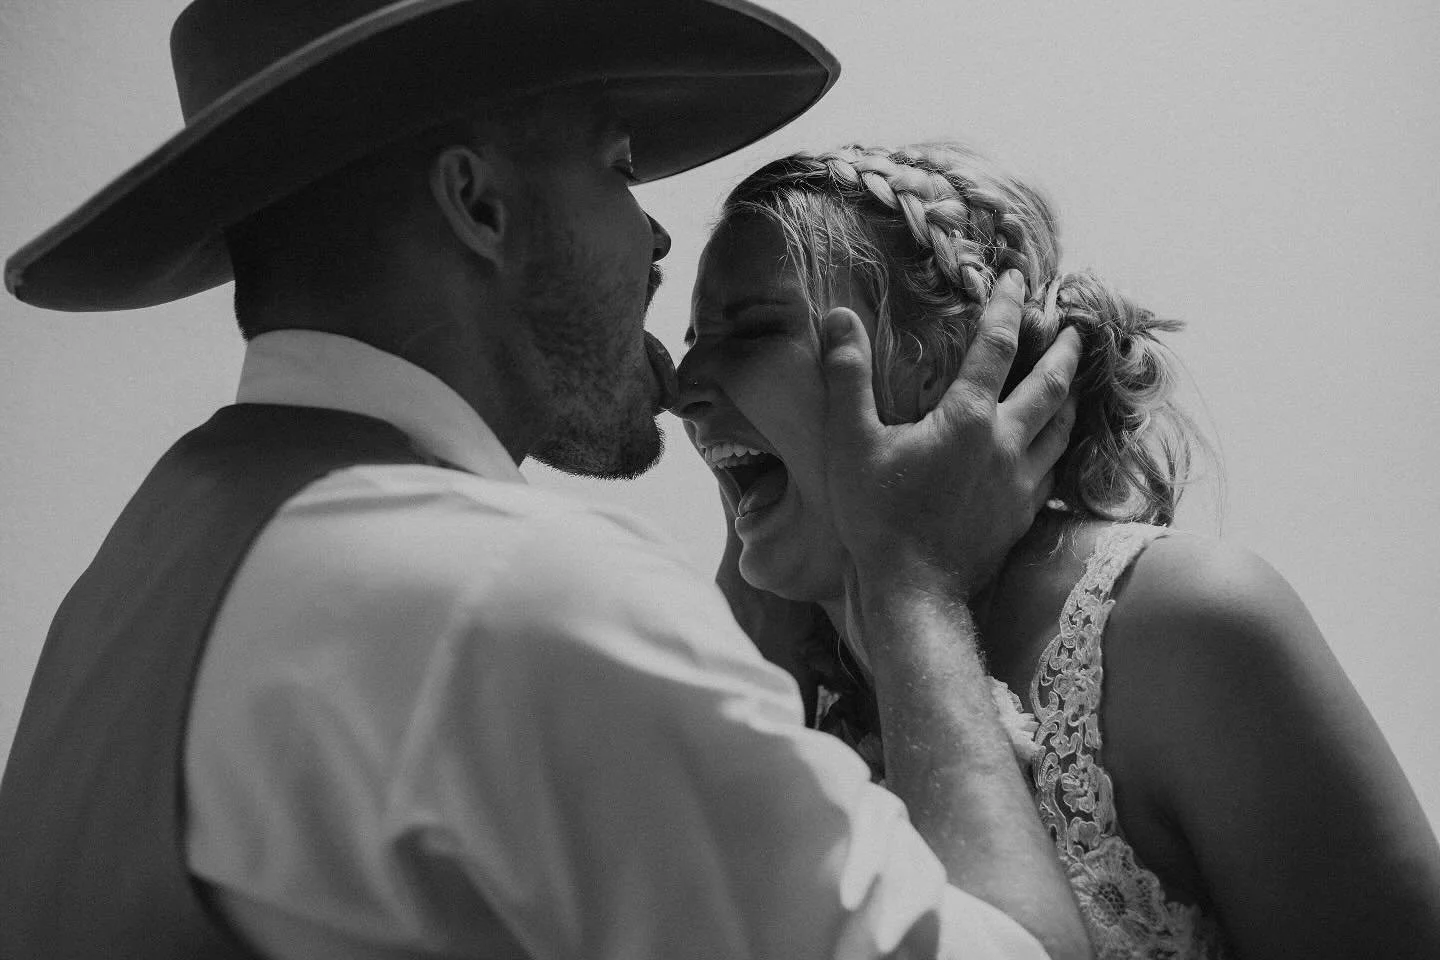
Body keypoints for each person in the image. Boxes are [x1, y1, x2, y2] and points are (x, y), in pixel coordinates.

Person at [0, 4, 1094, 960]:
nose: (657, 234)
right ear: (479, 204)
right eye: (618, 166)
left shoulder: (124, 584)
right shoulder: (511, 593)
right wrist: (913, 581)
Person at [674, 141, 1440, 959]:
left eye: (752, 330)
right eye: (689, 341)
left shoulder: (1183, 631)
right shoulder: (787, 701)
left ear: (939, 365)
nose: (680, 389)